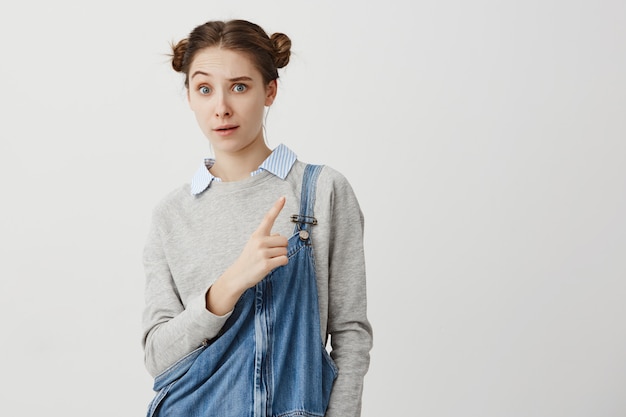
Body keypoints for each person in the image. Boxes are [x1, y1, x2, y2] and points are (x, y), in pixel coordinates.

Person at [141, 19, 372, 417]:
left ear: (270, 91)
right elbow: (157, 356)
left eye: (240, 86)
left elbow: (350, 336)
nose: (222, 107)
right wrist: (227, 286)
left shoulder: (321, 191)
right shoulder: (171, 215)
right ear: (190, 97)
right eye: (204, 89)